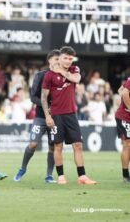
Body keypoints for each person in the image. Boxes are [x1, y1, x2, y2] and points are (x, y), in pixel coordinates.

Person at [41, 46, 97, 185]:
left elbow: (76, 79)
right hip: (56, 115)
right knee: (58, 146)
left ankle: (82, 176)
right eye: (65, 58)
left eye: (70, 59)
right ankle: (61, 176)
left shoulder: (74, 69)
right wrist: (47, 116)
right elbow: (43, 97)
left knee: (77, 145)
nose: (67, 61)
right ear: (59, 58)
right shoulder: (49, 75)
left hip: (71, 114)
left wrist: (60, 70)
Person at [13, 49, 61, 184]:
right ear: (50, 60)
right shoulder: (40, 75)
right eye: (57, 59)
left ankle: (49, 175)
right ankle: (22, 168)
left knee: (52, 147)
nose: (59, 62)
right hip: (40, 117)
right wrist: (46, 105)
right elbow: (33, 97)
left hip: (56, 118)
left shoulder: (64, 76)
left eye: (60, 59)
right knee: (33, 144)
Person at [115, 82, 130, 183]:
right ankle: (125, 175)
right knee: (127, 145)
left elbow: (120, 90)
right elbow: (124, 93)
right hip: (125, 117)